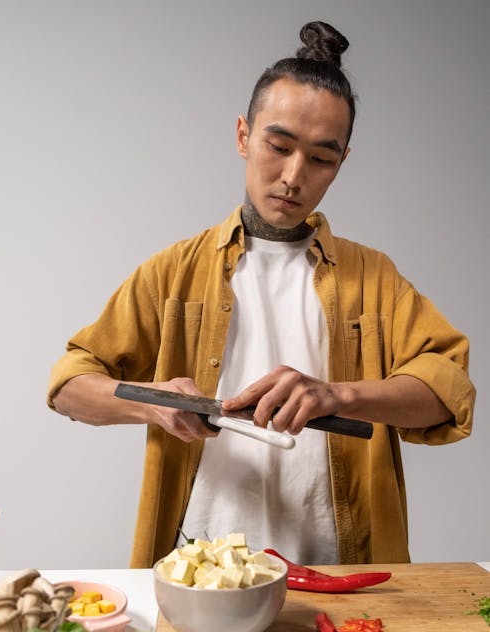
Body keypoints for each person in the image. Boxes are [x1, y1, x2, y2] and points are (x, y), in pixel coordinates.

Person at [48, 21, 475, 568]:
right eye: (279, 145)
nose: (294, 176)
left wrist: (338, 396)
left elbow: (450, 390)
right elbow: (68, 385)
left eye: (321, 158)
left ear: (342, 161)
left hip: (340, 565)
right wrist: (156, 404)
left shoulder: (374, 277)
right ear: (244, 136)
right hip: (202, 565)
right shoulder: (174, 272)